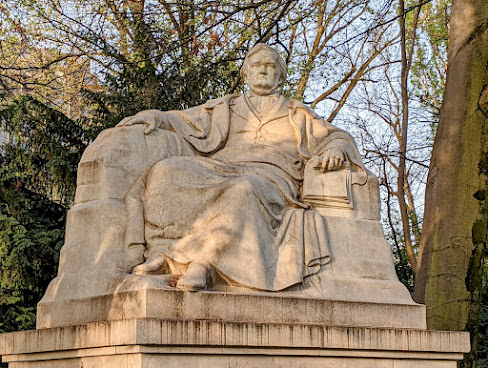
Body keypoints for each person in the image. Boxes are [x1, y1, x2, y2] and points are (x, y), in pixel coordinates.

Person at [117, 44, 365, 291]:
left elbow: (336, 136)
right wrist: (156, 118)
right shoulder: (228, 106)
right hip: (221, 166)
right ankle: (164, 253)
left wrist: (335, 149)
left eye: (270, 66)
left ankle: (203, 264)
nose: (263, 71)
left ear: (281, 75)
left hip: (271, 177)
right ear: (245, 73)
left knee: (241, 189)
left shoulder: (296, 113)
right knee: (166, 171)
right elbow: (185, 120)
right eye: (257, 66)